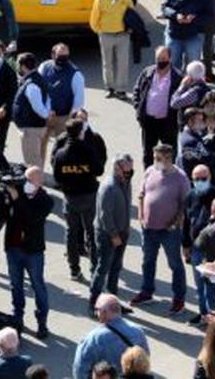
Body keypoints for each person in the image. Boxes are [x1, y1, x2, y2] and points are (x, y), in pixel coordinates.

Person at [131, 144, 189, 313]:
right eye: (155, 158)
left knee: (175, 264)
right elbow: (141, 195)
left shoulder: (180, 178)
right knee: (147, 261)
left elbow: (185, 204)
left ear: (169, 159)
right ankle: (146, 292)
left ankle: (179, 299)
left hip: (169, 230)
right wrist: (141, 215)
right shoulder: (150, 171)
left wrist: (176, 221)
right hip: (148, 228)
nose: (155, 162)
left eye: (158, 159)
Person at [52, 116, 106, 281]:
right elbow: (99, 171)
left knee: (71, 233)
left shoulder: (60, 154)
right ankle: (95, 267)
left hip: (70, 197)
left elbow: (57, 177)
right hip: (89, 196)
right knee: (92, 232)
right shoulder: (88, 151)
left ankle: (74, 269)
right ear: (81, 132)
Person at [4, 165, 53, 338]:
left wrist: (17, 199)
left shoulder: (46, 200)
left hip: (33, 251)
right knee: (15, 285)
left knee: (38, 285)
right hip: (13, 247)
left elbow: (31, 218)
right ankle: (18, 318)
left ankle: (42, 322)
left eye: (31, 181)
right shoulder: (17, 190)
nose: (27, 184)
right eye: (26, 180)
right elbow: (4, 211)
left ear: (40, 183)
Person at [72, 294, 150, 379]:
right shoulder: (137, 331)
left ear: (103, 312)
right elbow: (145, 356)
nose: (96, 313)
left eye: (97, 309)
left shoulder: (93, 338)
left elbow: (80, 368)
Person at [90, 154, 134, 306]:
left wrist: (126, 228)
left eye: (131, 169)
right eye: (127, 170)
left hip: (122, 231)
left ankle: (112, 301)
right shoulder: (109, 187)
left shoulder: (126, 182)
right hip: (108, 234)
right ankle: (94, 302)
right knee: (103, 268)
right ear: (117, 169)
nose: (130, 173)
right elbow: (105, 215)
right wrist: (114, 235)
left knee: (116, 266)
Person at [134, 46, 181, 168]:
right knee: (148, 153)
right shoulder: (147, 72)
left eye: (163, 58)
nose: (160, 61)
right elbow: (137, 90)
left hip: (168, 122)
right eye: (158, 58)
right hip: (149, 121)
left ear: (170, 59)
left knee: (169, 154)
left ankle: (170, 179)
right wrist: (138, 107)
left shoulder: (177, 77)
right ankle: (149, 181)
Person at [185, 185, 215, 321]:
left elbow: (200, 246)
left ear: (214, 209)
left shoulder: (211, 230)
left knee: (208, 293)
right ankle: (209, 316)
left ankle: (209, 319)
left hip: (209, 265)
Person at [90, 0, 134, 99]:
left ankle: (121, 89)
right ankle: (110, 88)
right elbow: (94, 18)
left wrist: (131, 29)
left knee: (123, 63)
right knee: (107, 63)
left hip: (123, 35)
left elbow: (132, 14)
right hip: (106, 35)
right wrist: (99, 31)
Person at [162, 0, 209, 70]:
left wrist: (194, 18)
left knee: (193, 65)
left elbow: (209, 16)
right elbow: (164, 7)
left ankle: (191, 84)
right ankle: (175, 83)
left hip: (193, 35)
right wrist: (175, 15)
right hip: (174, 34)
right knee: (172, 63)